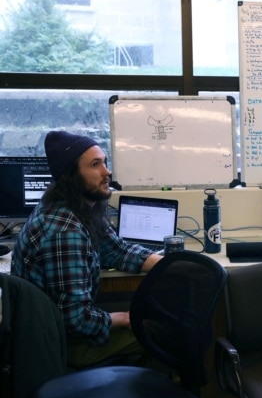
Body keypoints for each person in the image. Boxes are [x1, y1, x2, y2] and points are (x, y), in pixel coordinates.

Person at [11, 131, 163, 369]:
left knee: (147, 319)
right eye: (95, 165)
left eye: (104, 162)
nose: (107, 172)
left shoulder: (78, 207)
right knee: (157, 335)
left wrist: (167, 264)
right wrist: (123, 318)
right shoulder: (65, 231)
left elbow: (116, 251)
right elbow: (75, 319)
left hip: (63, 327)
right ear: (71, 176)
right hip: (63, 343)